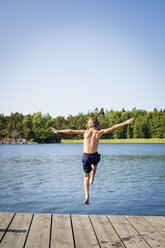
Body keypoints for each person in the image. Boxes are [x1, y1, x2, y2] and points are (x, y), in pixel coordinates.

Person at [51, 117, 134, 204]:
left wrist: (58, 131)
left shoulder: (85, 132)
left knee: (86, 177)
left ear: (88, 126)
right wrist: (126, 122)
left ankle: (87, 194)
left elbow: (71, 131)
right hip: (95, 156)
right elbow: (114, 128)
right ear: (97, 126)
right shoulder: (99, 132)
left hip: (86, 156)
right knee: (95, 164)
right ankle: (93, 178)